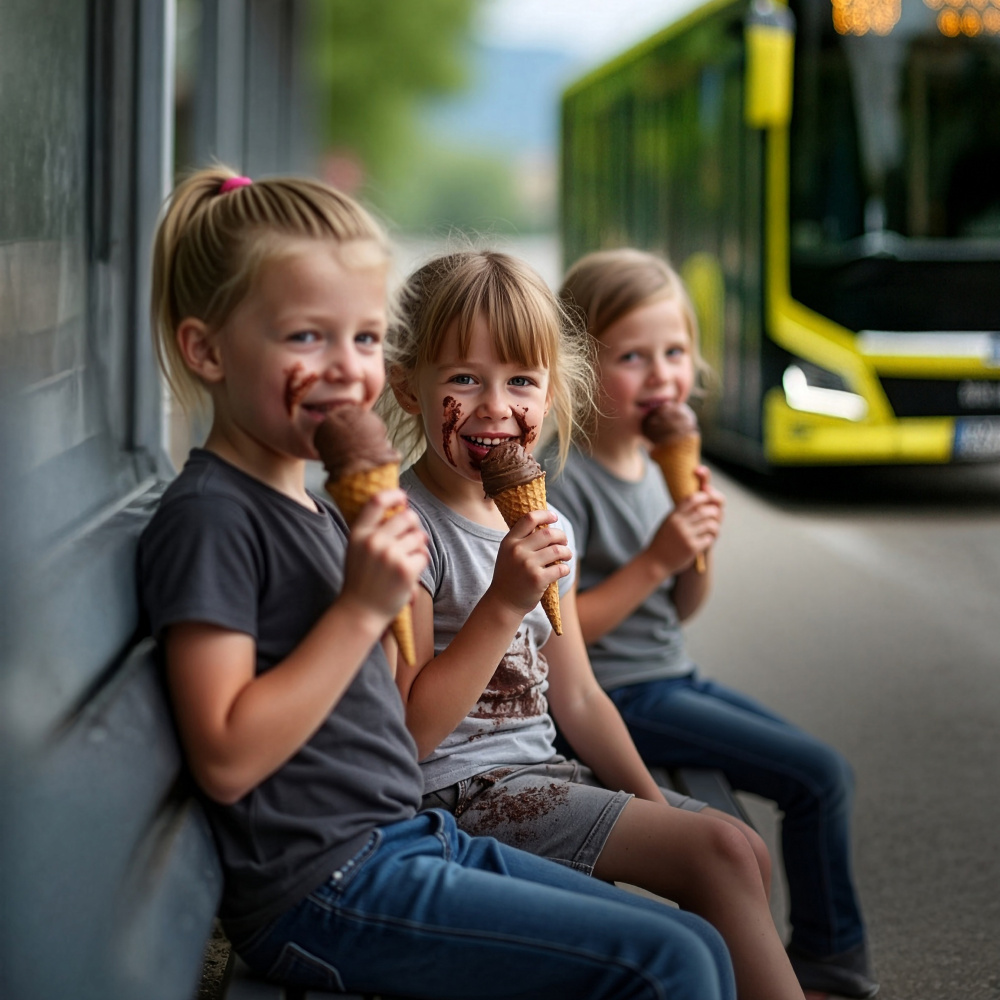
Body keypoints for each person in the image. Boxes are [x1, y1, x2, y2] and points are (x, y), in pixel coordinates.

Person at [137, 169, 739, 1000]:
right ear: (205, 350)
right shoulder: (213, 516)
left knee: (695, 942)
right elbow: (229, 759)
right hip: (328, 884)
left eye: (360, 339)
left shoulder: (311, 509)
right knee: (668, 963)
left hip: (401, 838)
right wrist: (364, 608)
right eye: (305, 338)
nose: (345, 369)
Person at [383, 248, 806, 1000]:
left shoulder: (547, 524)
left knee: (743, 848)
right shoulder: (411, 533)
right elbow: (409, 734)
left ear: (553, 392)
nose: (494, 406)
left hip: (542, 774)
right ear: (407, 389)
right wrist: (504, 602)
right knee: (716, 849)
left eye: (521, 380)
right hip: (457, 797)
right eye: (462, 379)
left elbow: (576, 698)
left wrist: (646, 796)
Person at [545, 247, 878, 1000]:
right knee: (817, 777)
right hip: (618, 695)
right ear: (578, 365)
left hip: (670, 674)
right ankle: (830, 961)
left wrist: (695, 553)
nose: (662, 373)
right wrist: (659, 559)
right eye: (633, 355)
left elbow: (682, 609)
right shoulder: (565, 479)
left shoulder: (658, 462)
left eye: (675, 352)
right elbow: (560, 630)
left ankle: (821, 955)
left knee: (826, 769)